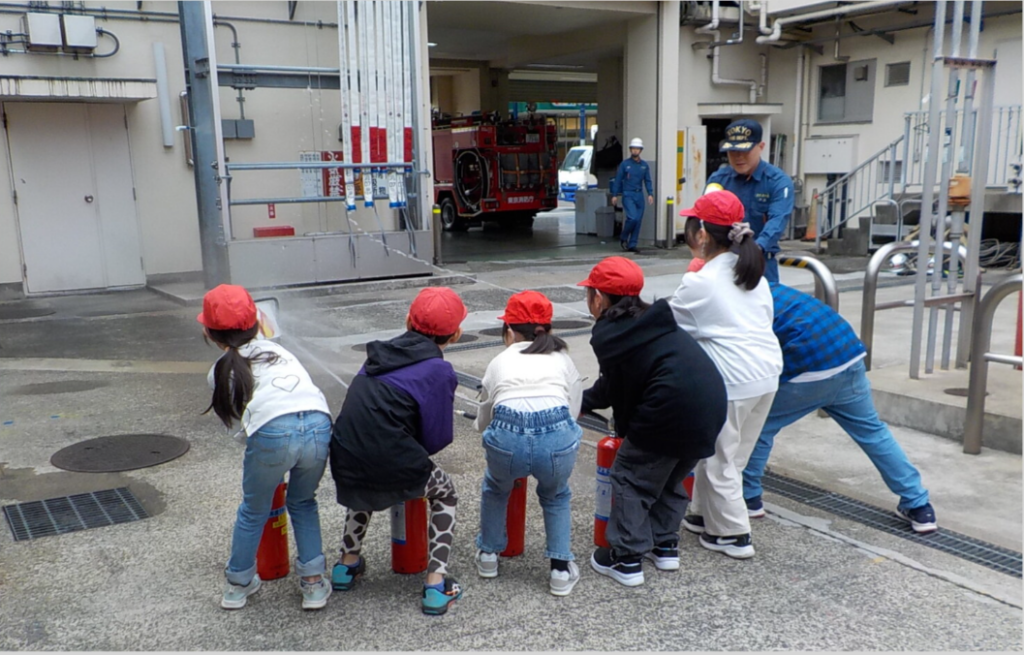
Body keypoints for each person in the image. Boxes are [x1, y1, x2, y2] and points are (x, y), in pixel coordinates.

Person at [742, 283, 938, 533]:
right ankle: (919, 505)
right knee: (873, 432)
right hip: (849, 357)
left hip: (809, 372)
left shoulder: (737, 302)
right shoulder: (771, 287)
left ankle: (748, 497)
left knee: (758, 427)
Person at [579, 257, 727, 586]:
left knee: (631, 478)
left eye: (589, 294)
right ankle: (664, 544)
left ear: (598, 298)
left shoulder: (611, 334)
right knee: (670, 478)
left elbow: (617, 388)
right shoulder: (652, 322)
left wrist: (584, 406)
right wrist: (584, 402)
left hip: (668, 411)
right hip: (710, 409)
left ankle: (626, 558)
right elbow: (618, 383)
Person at [328, 287, 467, 616]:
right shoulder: (438, 370)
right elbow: (436, 438)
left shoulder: (376, 357)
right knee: (445, 491)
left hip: (345, 455)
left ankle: (346, 564)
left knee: (367, 475)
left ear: (407, 321)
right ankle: (436, 584)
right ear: (457, 335)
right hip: (390, 460)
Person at [198, 284, 334, 611]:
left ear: (209, 334)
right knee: (303, 502)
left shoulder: (220, 371)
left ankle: (237, 586)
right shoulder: (280, 352)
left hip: (271, 433)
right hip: (319, 423)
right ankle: (313, 585)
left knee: (253, 510)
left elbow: (242, 427)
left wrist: (264, 447)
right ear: (258, 322)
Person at [670, 190, 783, 560]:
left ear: (701, 234)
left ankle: (734, 535)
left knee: (721, 460)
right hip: (767, 374)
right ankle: (704, 514)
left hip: (733, 381)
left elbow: (670, 325)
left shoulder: (701, 282)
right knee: (731, 456)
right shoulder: (752, 274)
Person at [473, 290, 585, 596]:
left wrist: (484, 430)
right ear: (548, 329)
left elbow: (485, 415)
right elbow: (573, 409)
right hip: (556, 436)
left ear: (509, 331)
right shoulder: (562, 359)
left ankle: (488, 556)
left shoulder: (500, 360)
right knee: (556, 495)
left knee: (496, 487)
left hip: (507, 439)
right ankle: (560, 571)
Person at [706, 119, 795, 283]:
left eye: (745, 150)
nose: (738, 157)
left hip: (760, 261)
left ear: (761, 147)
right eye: (732, 151)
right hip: (723, 260)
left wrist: (754, 250)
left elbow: (777, 221)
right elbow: (704, 216)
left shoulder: (777, 182)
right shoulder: (718, 180)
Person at [610, 137, 654, 254]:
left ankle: (632, 244)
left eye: (637, 148)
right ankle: (624, 237)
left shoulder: (644, 165)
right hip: (628, 194)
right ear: (630, 149)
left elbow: (648, 180)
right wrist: (614, 194)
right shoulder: (625, 164)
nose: (635, 150)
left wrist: (650, 193)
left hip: (639, 194)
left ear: (640, 150)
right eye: (633, 148)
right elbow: (618, 180)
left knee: (638, 220)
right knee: (632, 218)